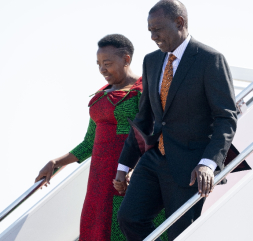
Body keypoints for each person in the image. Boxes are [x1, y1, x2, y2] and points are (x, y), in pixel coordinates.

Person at [114, 0, 238, 241]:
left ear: (179, 22)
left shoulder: (210, 60)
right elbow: (144, 118)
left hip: (190, 167)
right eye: (149, 31)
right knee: (129, 218)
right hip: (153, 161)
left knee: (180, 235)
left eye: (157, 29)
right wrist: (124, 166)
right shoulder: (151, 61)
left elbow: (226, 118)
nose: (153, 36)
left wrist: (208, 164)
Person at [34, 34, 166, 241]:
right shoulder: (101, 94)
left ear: (126, 59)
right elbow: (89, 143)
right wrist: (56, 162)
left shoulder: (143, 91)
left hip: (130, 174)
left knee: (127, 225)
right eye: (98, 64)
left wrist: (136, 169)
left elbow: (155, 137)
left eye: (107, 63)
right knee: (98, 228)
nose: (102, 69)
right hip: (99, 178)